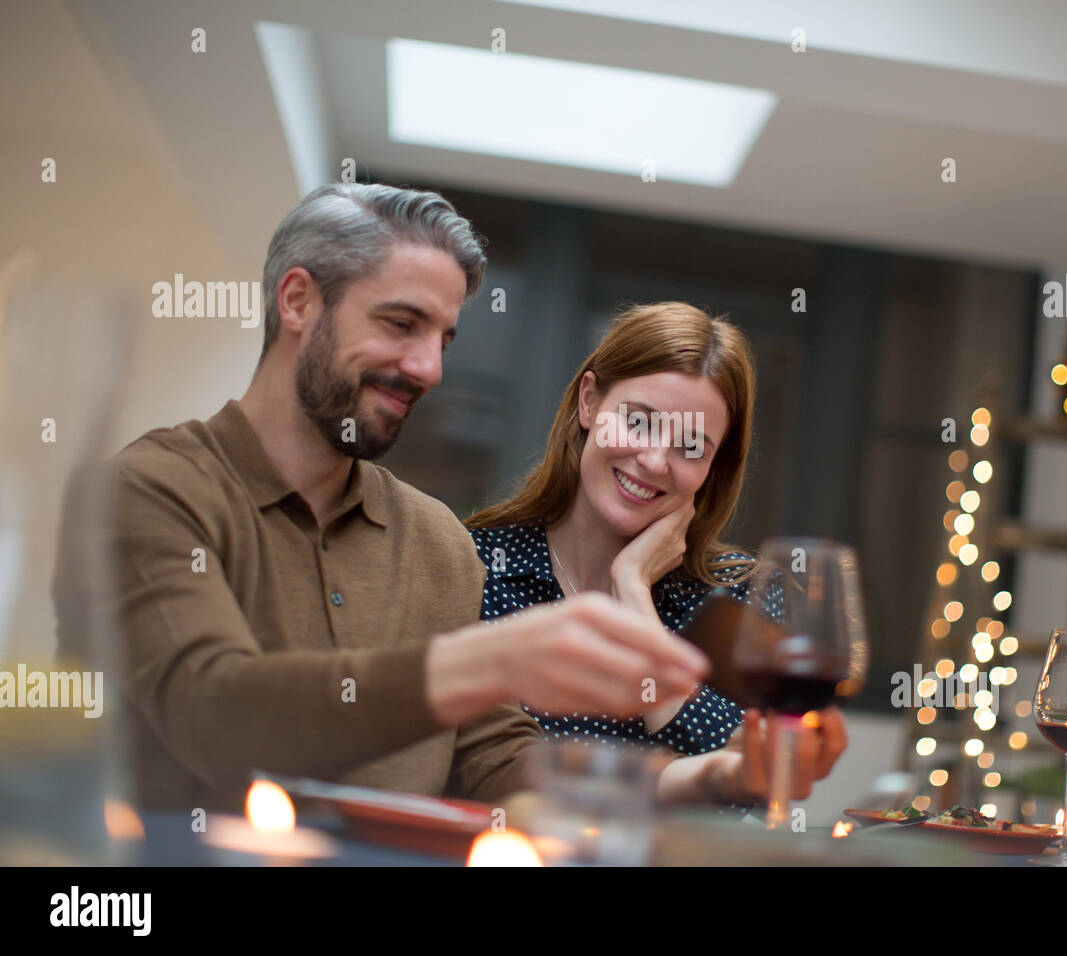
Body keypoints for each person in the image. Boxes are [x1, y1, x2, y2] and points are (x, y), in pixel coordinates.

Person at [51, 184, 824, 814]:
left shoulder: (434, 541)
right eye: (401, 324)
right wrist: (484, 660)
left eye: (445, 339)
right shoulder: (148, 491)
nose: (427, 368)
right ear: (297, 303)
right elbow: (214, 712)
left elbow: (497, 760)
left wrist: (709, 779)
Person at [466, 304, 847, 789]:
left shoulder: (740, 595)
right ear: (589, 402)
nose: (652, 460)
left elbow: (754, 785)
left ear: (713, 466)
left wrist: (633, 591)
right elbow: (469, 767)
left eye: (691, 447)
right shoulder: (476, 565)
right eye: (639, 421)